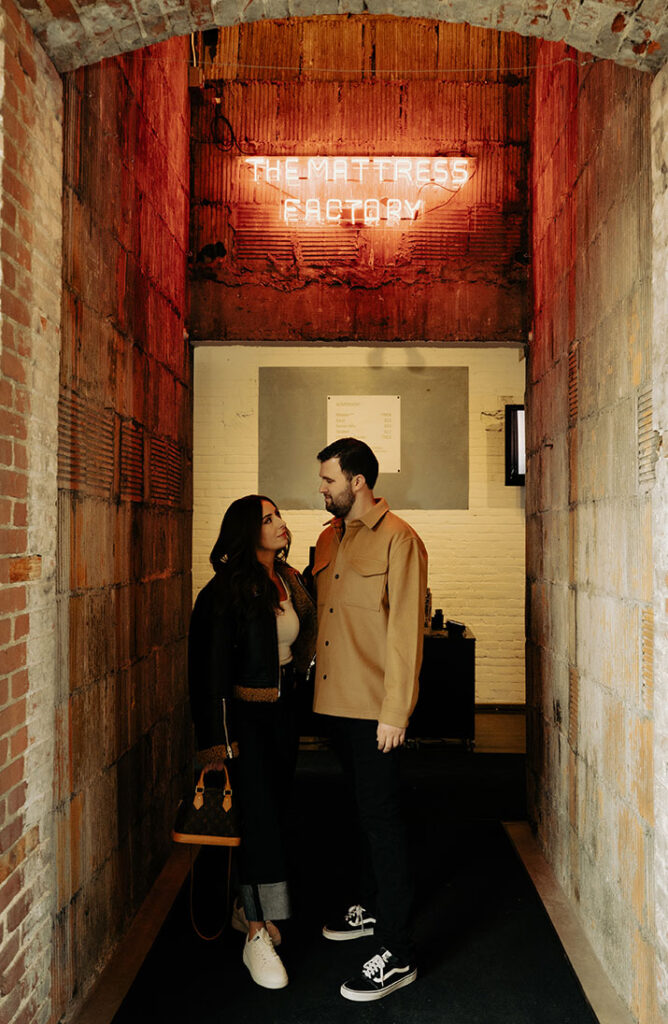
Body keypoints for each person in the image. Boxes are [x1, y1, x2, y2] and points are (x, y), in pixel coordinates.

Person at [312, 437, 428, 1002]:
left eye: (329, 480)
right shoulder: (327, 538)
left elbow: (406, 633)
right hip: (333, 707)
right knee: (359, 815)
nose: (323, 489)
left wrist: (395, 712)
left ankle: (399, 952)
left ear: (358, 481)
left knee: (382, 824)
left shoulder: (400, 540)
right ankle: (368, 907)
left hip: (374, 713)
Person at [187, 495, 316, 990]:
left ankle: (248, 906)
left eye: (279, 515)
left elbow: (299, 640)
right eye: (268, 519)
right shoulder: (223, 595)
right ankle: (256, 934)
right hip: (245, 721)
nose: (280, 524)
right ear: (247, 531)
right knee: (257, 819)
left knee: (274, 812)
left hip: (283, 712)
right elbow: (209, 677)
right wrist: (218, 747)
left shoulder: (286, 580)